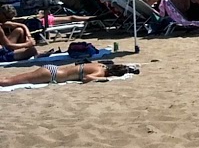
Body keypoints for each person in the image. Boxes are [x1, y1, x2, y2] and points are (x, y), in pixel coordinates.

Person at [0, 59, 138, 88]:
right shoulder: (100, 71)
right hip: (52, 75)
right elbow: (86, 78)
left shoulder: (99, 64)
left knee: (13, 79)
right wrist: (104, 80)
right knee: (9, 82)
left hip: (52, 69)